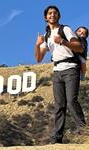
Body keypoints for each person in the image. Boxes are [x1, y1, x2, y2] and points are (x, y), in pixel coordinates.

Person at [35, 6, 86, 144]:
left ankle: (84, 131)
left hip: (71, 68)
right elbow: (39, 58)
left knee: (71, 101)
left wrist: (62, 41)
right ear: (46, 17)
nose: (52, 15)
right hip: (57, 70)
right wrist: (37, 44)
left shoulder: (66, 29)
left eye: (55, 13)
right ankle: (57, 139)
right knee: (59, 105)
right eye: (50, 13)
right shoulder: (46, 36)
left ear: (58, 16)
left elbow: (79, 47)